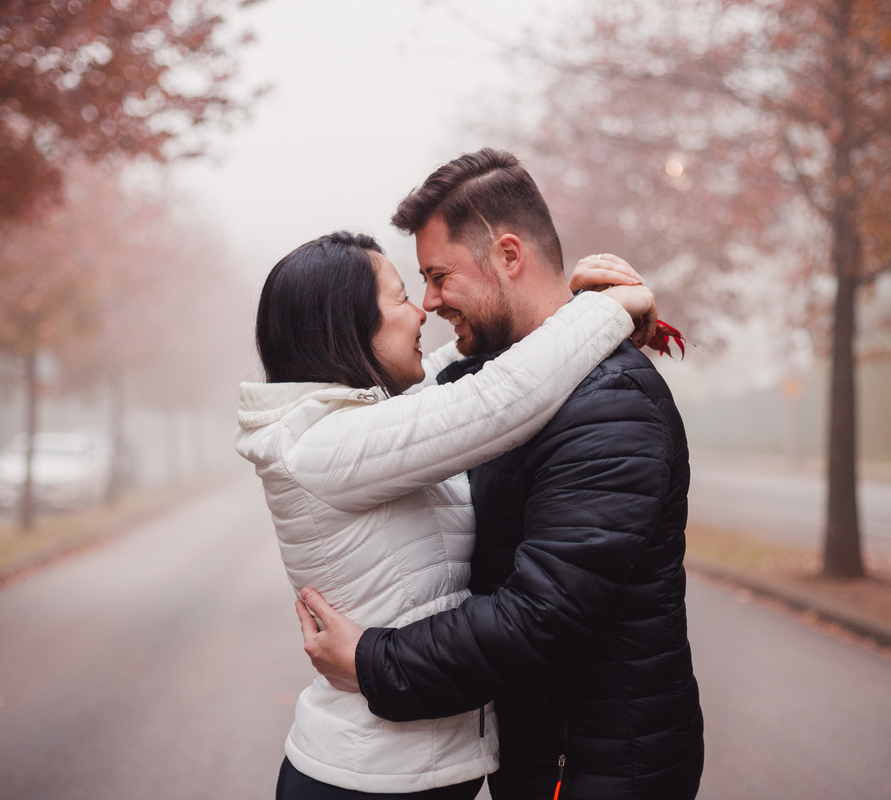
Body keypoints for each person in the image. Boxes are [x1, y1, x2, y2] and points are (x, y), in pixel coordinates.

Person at [296, 149, 705, 800]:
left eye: (437, 275)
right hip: (542, 757)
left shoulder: (611, 405)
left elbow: (539, 615)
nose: (428, 302)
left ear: (509, 256)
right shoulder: (492, 382)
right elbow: (406, 399)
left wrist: (374, 662)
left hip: (602, 770)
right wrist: (599, 309)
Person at [236, 229, 660, 799]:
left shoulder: (357, 421)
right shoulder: (327, 445)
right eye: (400, 299)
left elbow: (464, 367)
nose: (421, 314)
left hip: (401, 772)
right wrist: (613, 307)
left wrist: (567, 307)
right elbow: (497, 399)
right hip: (368, 780)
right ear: (347, 328)